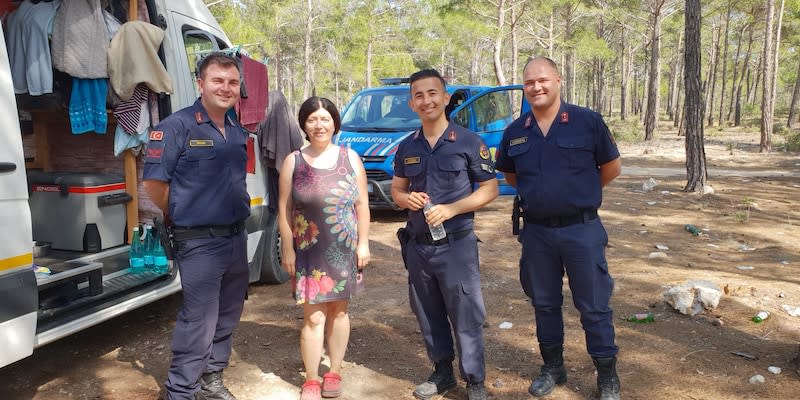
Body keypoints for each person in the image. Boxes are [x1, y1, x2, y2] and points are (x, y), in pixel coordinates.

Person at [494, 56, 622, 400]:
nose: (536, 87)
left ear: (558, 80)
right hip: (537, 234)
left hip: (582, 230)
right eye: (530, 82)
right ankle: (553, 367)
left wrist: (580, 194)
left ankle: (607, 375)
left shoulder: (587, 122)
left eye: (543, 80)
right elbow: (511, 176)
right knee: (545, 304)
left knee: (594, 305)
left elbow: (611, 168)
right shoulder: (515, 132)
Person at [143, 52, 250, 400]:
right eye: (218, 80)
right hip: (199, 243)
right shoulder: (176, 127)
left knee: (228, 314)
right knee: (198, 321)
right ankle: (181, 391)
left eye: (233, 82)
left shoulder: (236, 128)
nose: (226, 87)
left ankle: (211, 379)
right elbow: (154, 185)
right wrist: (180, 211)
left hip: (236, 237)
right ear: (201, 84)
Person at [391, 69, 498, 400]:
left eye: (432, 93)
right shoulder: (407, 146)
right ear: (412, 103)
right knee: (428, 311)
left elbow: (490, 189)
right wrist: (405, 199)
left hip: (457, 245)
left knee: (465, 313)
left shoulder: (468, 142)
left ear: (446, 97)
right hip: (419, 247)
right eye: (419, 95)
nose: (427, 101)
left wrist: (453, 208)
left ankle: (475, 380)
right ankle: (442, 372)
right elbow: (397, 190)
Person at [277, 97, 370, 400]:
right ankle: (312, 378)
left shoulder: (350, 158)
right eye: (312, 119)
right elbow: (284, 208)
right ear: (304, 124)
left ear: (334, 123)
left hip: (343, 247)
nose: (319, 125)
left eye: (325, 119)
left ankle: (335, 371)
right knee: (314, 317)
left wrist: (364, 243)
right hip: (308, 250)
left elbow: (362, 205)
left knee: (339, 312)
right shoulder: (294, 160)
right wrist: (288, 249)